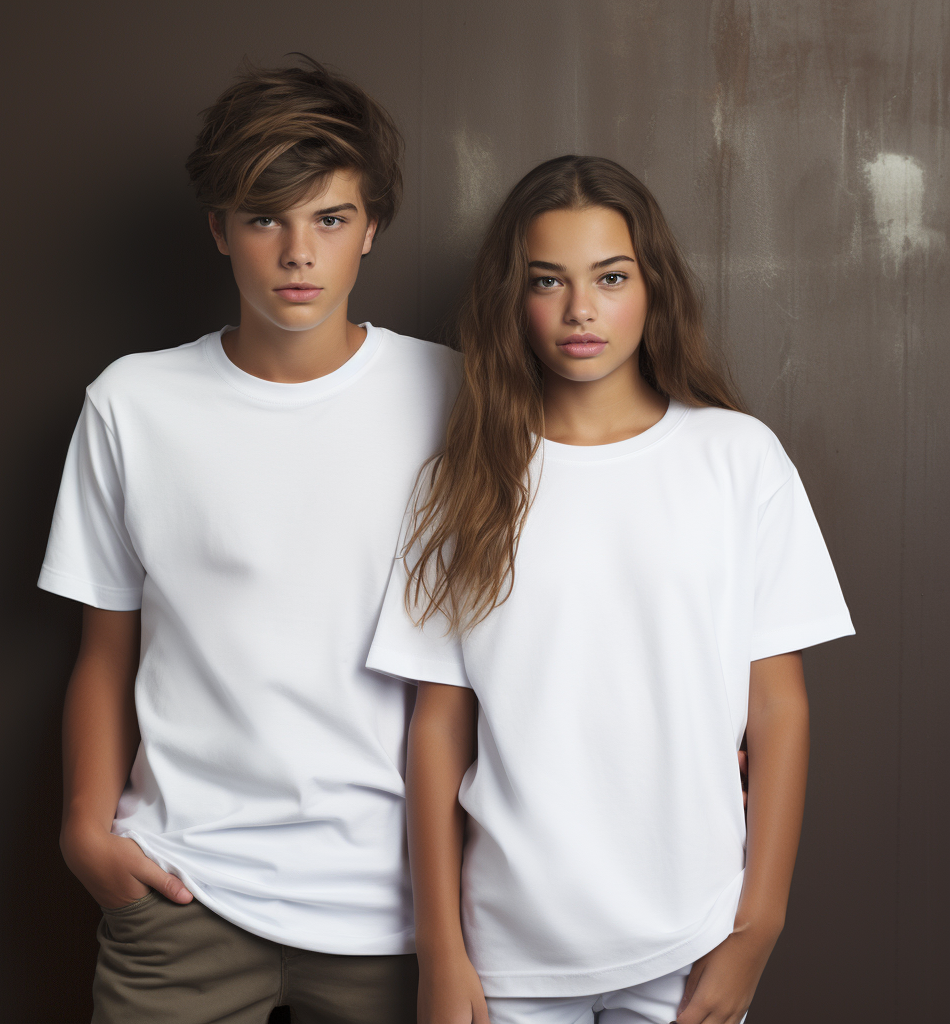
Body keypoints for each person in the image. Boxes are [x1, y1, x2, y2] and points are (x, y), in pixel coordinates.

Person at [366, 155, 854, 1024]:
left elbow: (778, 709)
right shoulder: (464, 479)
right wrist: (442, 954)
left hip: (692, 939)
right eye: (546, 281)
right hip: (509, 952)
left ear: (652, 286)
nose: (580, 310)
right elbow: (436, 728)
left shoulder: (738, 460)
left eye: (610, 277)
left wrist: (759, 926)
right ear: (512, 299)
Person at [39, 57, 460, 1024]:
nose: (297, 253)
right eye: (265, 218)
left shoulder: (457, 398)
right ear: (220, 230)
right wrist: (82, 831)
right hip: (181, 893)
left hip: (396, 911)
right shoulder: (132, 404)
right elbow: (107, 649)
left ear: (372, 228)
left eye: (330, 219)